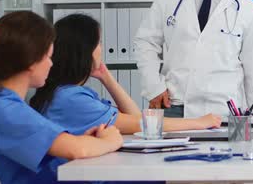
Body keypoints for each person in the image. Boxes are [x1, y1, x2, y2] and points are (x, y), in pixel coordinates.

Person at [30, 13, 222, 135]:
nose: (102, 49)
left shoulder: (66, 93)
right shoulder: (71, 99)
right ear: (84, 51)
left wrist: (106, 76)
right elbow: (144, 124)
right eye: (98, 43)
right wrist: (199, 122)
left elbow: (134, 117)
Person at [0, 11, 122, 184]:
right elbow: (78, 150)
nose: (51, 64)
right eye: (48, 57)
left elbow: (64, 146)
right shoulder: (4, 110)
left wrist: (87, 141)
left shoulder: (4, 105)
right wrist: (110, 141)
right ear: (31, 60)